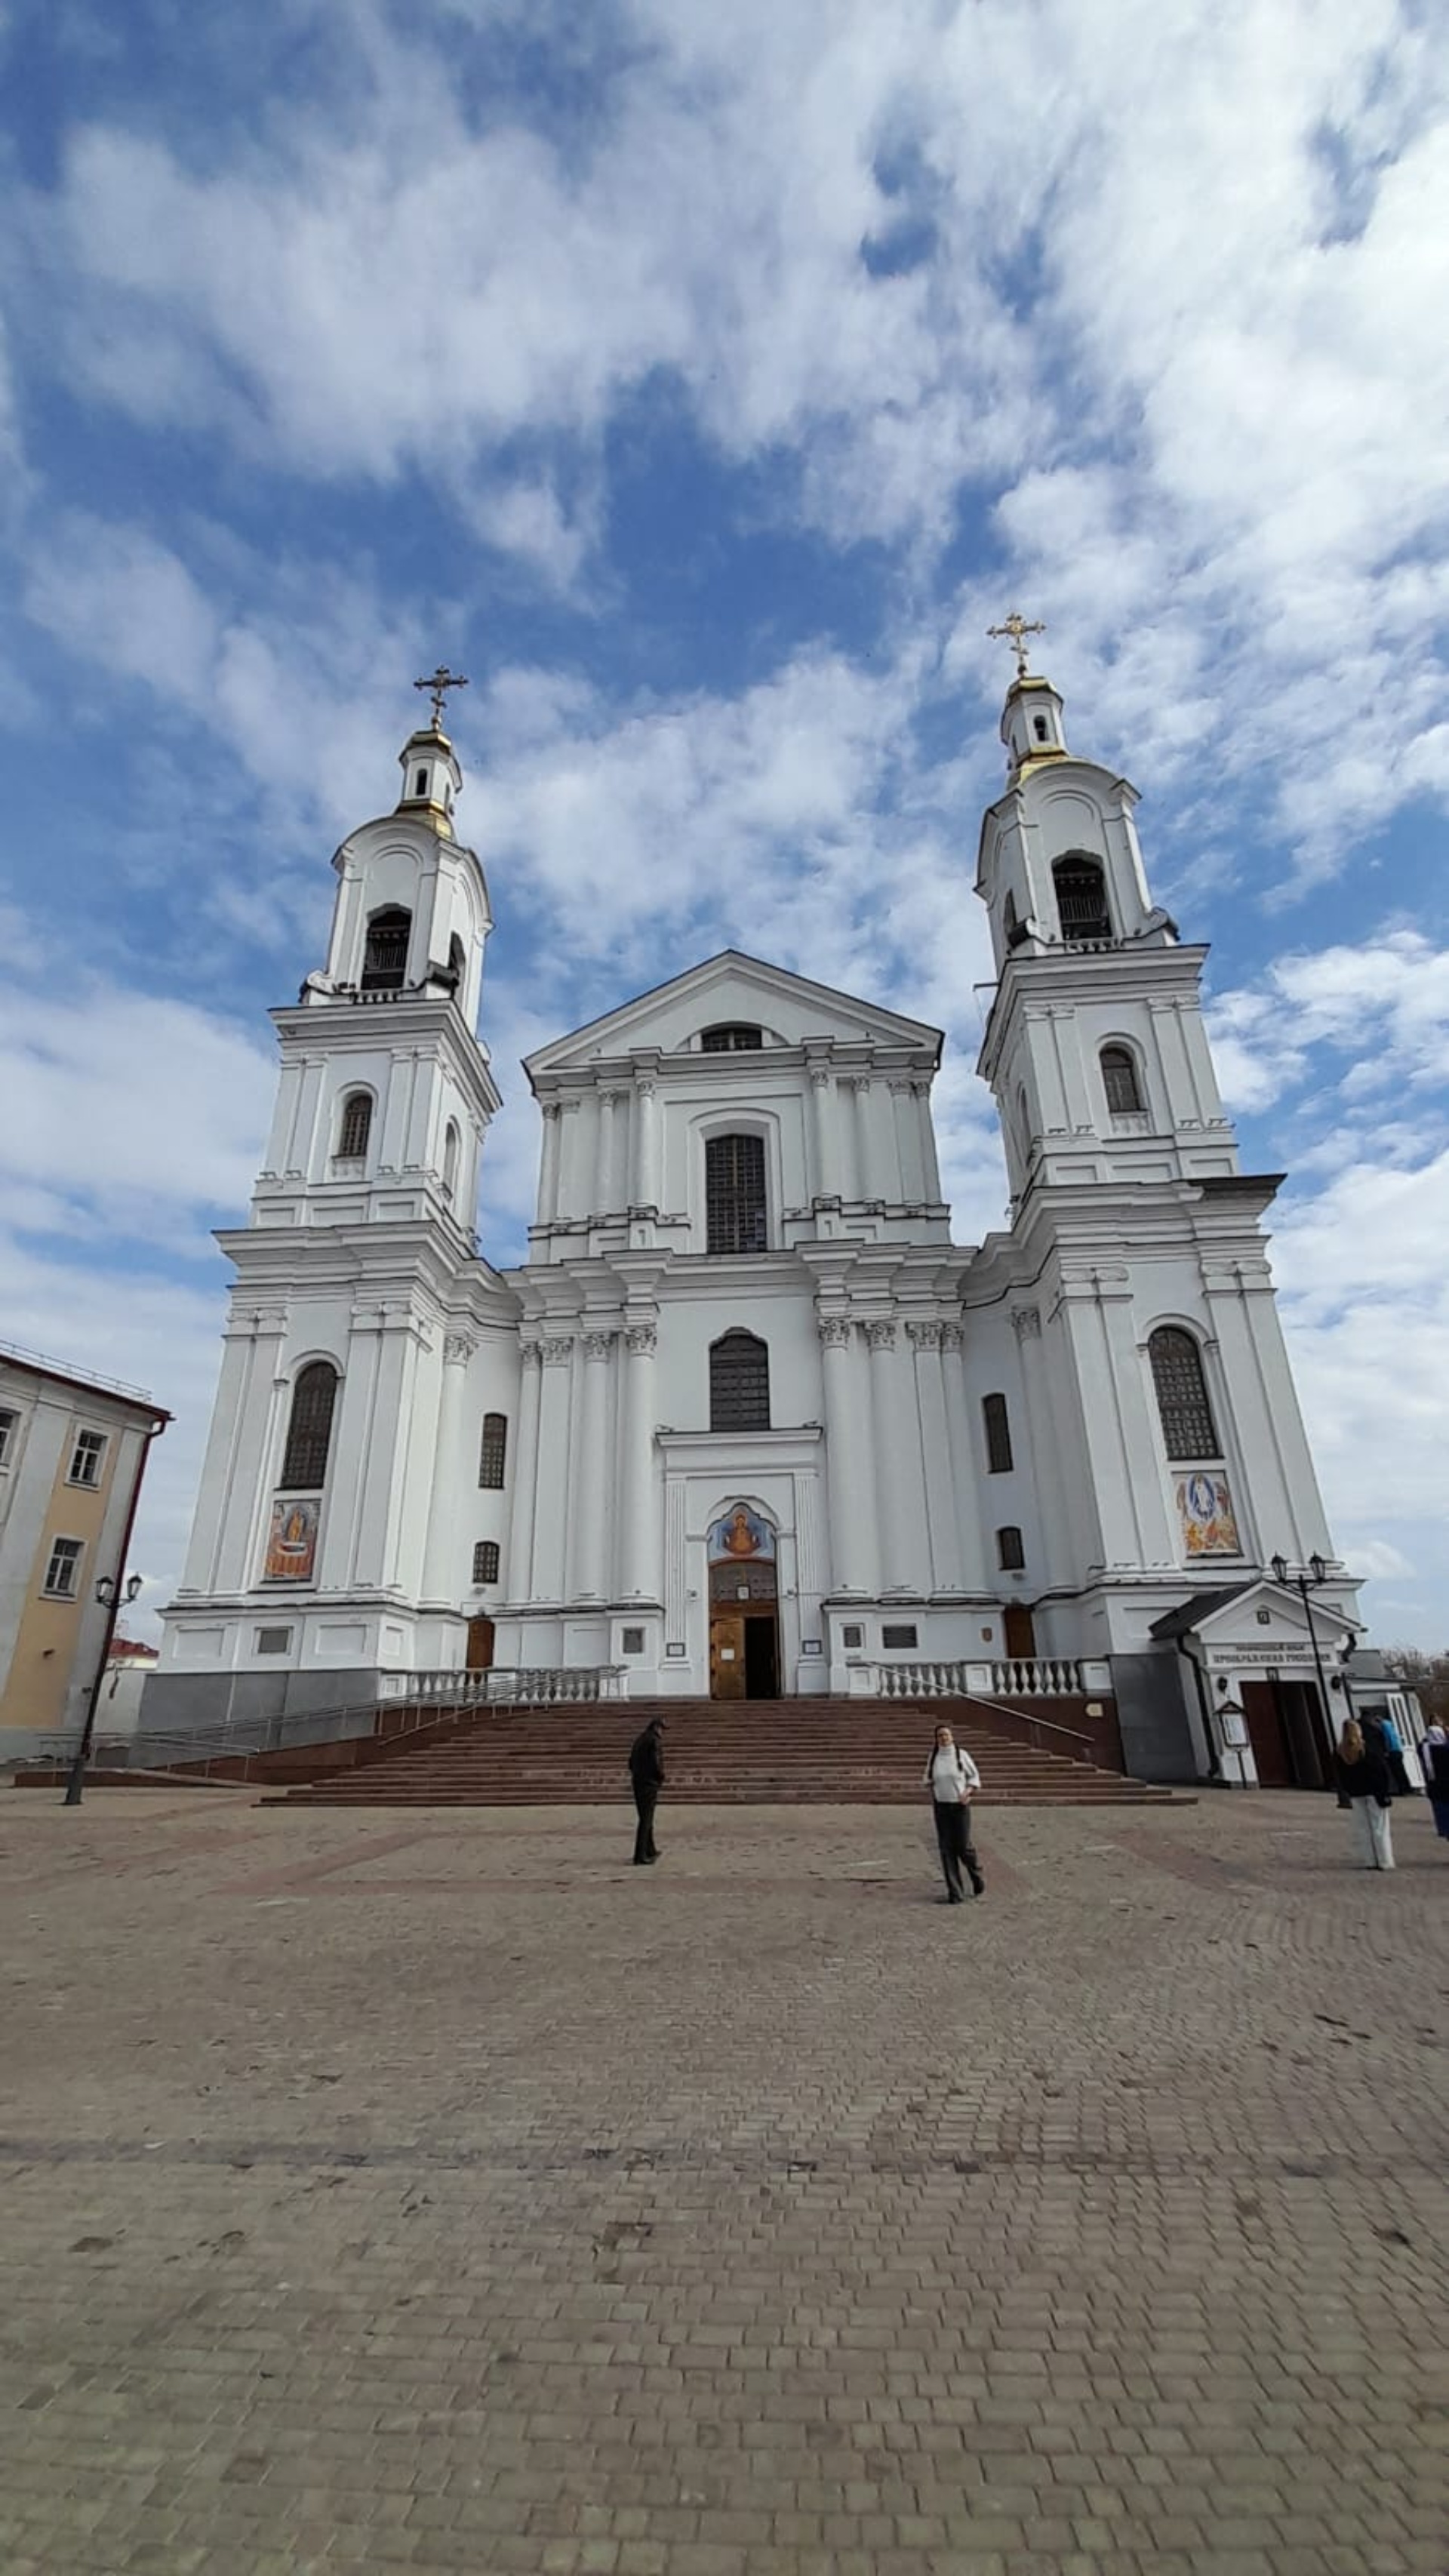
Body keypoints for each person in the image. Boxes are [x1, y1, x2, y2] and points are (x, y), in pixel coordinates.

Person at [921, 1723, 984, 1904]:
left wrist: (968, 1791)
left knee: (963, 1846)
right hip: (941, 1807)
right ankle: (955, 1892)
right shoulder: (934, 1757)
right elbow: (927, 1777)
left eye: (946, 1735)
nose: (944, 1738)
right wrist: (930, 1784)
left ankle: (976, 1875)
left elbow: (974, 1777)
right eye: (940, 1736)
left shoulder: (961, 1755)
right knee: (946, 1849)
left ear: (952, 1737)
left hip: (960, 1806)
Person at [1333, 1718, 1394, 1872]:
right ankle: (1385, 1860)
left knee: (1363, 1827)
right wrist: (1385, 1790)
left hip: (1356, 1792)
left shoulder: (1341, 1751)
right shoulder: (1366, 1748)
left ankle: (1369, 1860)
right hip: (1373, 1791)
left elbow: (1340, 1775)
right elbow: (1380, 1770)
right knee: (1379, 1827)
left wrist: (1348, 1789)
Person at [628, 1717, 666, 1866]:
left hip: (638, 1782)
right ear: (657, 1728)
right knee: (646, 1820)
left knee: (645, 1818)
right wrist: (660, 1777)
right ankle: (640, 1855)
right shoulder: (653, 1741)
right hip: (649, 1784)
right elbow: (656, 1763)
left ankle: (650, 1849)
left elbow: (630, 1762)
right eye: (662, 1729)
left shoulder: (640, 1740)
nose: (662, 1733)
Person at [1420, 1720, 1449, 1842]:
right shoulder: (1445, 1750)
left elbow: (1420, 1745)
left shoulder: (1426, 1750)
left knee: (1444, 1819)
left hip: (1436, 1790)